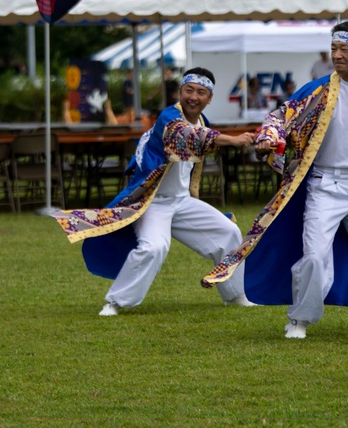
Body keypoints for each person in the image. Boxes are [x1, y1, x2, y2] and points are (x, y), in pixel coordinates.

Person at [201, 21, 348, 338]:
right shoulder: (319, 90)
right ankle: (299, 320)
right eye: (333, 48)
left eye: (344, 49)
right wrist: (269, 137)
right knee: (314, 256)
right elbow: (280, 116)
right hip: (325, 185)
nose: (337, 55)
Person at [50, 68, 257, 315]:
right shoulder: (169, 118)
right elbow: (189, 136)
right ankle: (116, 302)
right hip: (152, 202)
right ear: (180, 91)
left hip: (181, 202)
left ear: (209, 98)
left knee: (229, 232)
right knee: (154, 247)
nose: (193, 97)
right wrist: (232, 140)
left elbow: (202, 139)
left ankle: (235, 295)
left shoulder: (203, 122)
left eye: (201, 92)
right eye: (189, 90)